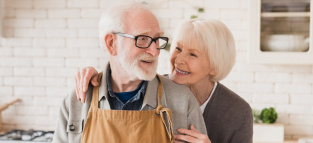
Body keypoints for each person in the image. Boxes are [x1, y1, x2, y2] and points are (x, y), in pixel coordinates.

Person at [76, 19, 253, 143]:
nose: (179, 60)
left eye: (192, 54)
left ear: (214, 65)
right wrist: (95, 75)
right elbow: (120, 76)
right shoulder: (150, 87)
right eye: (178, 48)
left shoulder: (238, 112)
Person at [52, 2, 207, 143]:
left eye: (157, 39)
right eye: (143, 39)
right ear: (111, 43)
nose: (155, 51)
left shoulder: (182, 100)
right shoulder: (77, 102)